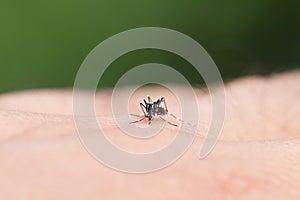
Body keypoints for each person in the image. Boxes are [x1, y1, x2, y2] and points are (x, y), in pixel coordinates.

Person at [0, 70, 299, 199]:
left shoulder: (159, 109)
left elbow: (160, 106)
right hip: (156, 110)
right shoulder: (145, 108)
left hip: (165, 113)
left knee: (156, 109)